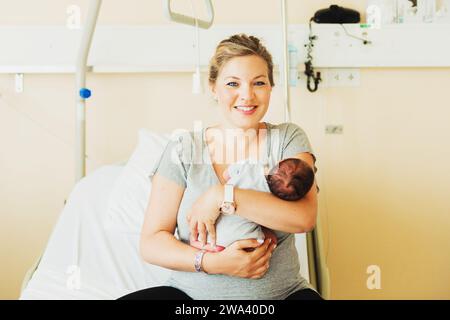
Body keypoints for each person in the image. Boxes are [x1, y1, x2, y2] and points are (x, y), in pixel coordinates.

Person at [119, 34, 322, 300]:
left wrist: (222, 196)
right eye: (232, 83)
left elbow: (303, 218)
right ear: (213, 87)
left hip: (280, 296)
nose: (247, 95)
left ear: (271, 87)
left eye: (259, 82)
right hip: (191, 300)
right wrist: (213, 263)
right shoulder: (183, 149)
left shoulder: (287, 140)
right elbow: (152, 243)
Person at [189, 157, 316, 252]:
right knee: (268, 241)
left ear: (277, 164)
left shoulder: (251, 165)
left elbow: (226, 174)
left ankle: (202, 243)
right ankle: (216, 249)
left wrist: (232, 185)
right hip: (233, 240)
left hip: (207, 229)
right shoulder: (271, 199)